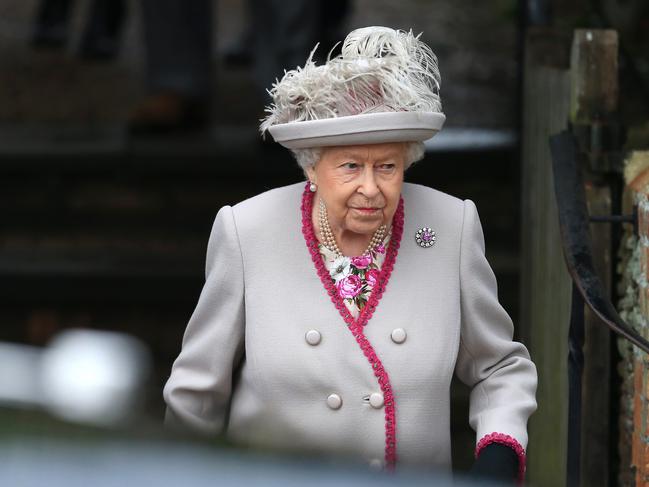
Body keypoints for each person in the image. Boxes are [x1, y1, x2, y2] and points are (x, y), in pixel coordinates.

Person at [163, 26, 537, 485]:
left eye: (387, 166)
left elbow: (500, 367)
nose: (371, 188)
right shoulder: (247, 230)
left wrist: (500, 448)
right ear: (311, 166)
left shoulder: (450, 226)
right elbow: (196, 393)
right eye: (350, 166)